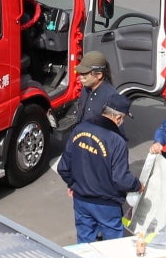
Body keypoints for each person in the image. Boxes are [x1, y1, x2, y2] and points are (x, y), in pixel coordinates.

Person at [54, 92, 139, 244]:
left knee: (85, 246)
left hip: (81, 200)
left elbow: (63, 167)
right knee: (113, 249)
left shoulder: (80, 129)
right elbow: (121, 179)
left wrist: (73, 184)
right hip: (107, 205)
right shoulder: (117, 141)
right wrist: (137, 185)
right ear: (118, 118)